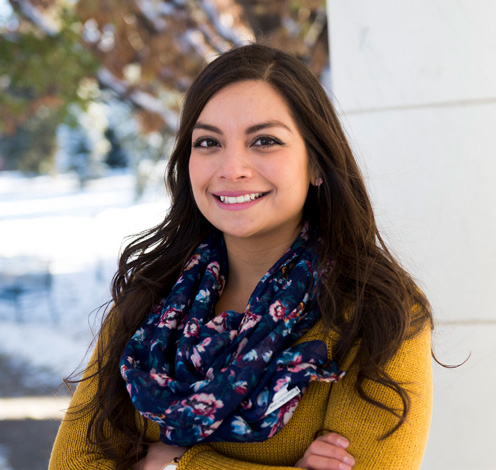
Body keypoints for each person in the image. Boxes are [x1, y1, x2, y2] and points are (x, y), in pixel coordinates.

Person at [49, 44, 433, 470]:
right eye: (209, 142)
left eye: (264, 141)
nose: (232, 168)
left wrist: (172, 463)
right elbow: (70, 463)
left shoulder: (377, 313)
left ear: (317, 164)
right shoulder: (149, 299)